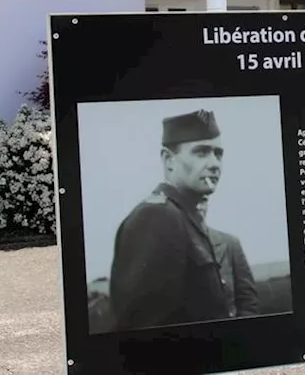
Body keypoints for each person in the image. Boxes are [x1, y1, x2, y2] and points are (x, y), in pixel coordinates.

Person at [107, 109, 233, 330]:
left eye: (218, 153)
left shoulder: (185, 217)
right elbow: (145, 331)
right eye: (201, 152)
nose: (215, 163)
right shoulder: (157, 217)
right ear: (169, 160)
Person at [197, 198, 259, 318]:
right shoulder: (171, 246)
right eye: (191, 202)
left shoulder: (230, 243)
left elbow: (248, 299)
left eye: (203, 201)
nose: (199, 207)